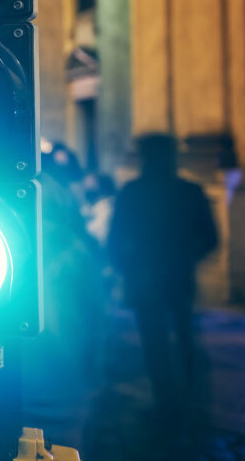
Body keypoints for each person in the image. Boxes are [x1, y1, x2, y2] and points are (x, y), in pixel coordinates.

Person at [108, 133, 218, 418]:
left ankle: (168, 399)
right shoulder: (188, 191)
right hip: (176, 275)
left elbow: (116, 239)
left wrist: (127, 266)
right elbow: (209, 238)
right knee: (182, 335)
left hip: (148, 277)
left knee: (156, 340)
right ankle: (189, 398)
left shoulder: (133, 192)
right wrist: (185, 258)